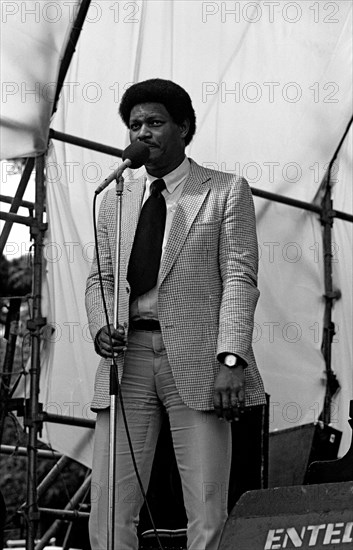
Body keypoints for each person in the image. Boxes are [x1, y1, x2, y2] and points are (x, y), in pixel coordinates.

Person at [85, 78, 266, 550]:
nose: (142, 131)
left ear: (183, 128)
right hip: (129, 360)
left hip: (200, 357)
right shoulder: (115, 198)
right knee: (107, 509)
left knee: (206, 505)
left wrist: (231, 359)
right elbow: (100, 279)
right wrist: (100, 324)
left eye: (155, 122)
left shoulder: (225, 191)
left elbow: (240, 279)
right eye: (135, 124)